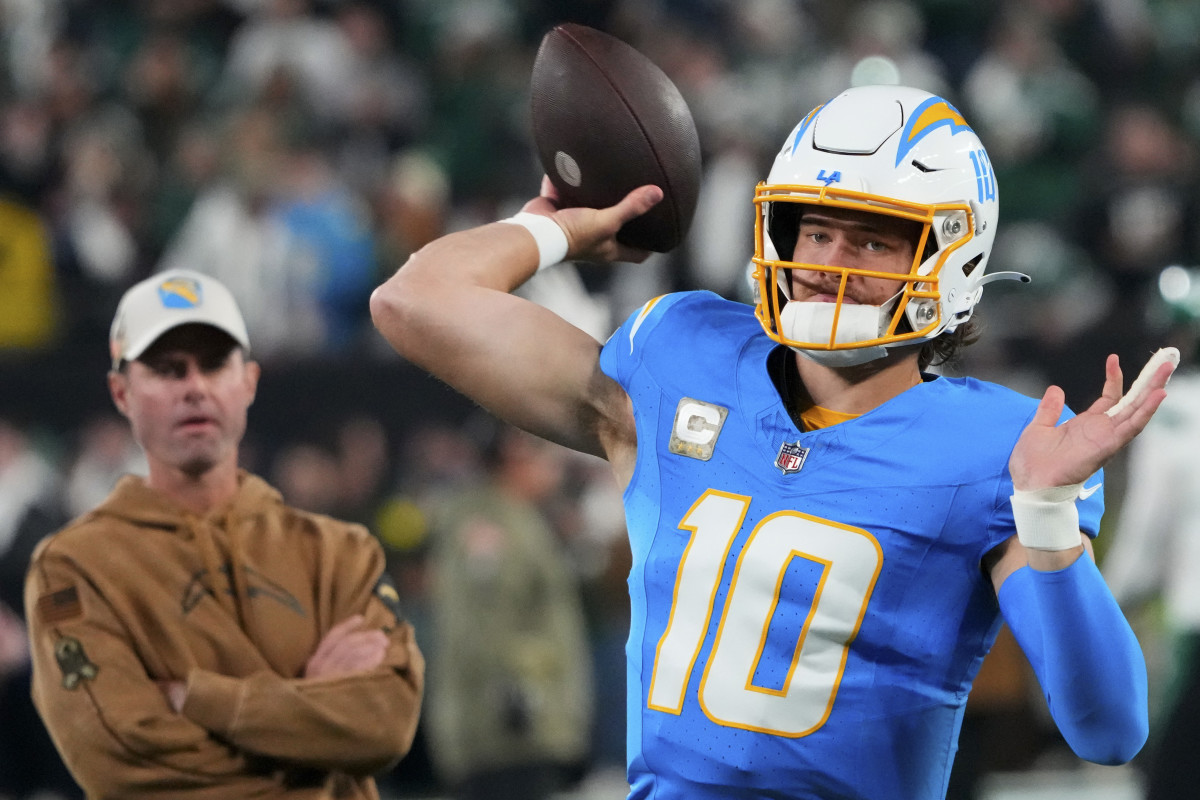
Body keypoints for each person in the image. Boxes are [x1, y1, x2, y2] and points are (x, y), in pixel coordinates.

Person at [370, 83, 1177, 799]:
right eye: (813, 232)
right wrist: (554, 232)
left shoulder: (1000, 448)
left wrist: (1043, 517)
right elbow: (414, 301)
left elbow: (1108, 731)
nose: (829, 263)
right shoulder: (683, 354)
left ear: (950, 258)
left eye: (872, 239)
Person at [24, 269, 425, 799]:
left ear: (249, 382)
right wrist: (317, 728)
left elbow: (386, 723)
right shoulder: (75, 567)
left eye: (214, 364)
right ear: (121, 392)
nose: (194, 387)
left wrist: (197, 699)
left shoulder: (341, 552)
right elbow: (126, 763)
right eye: (168, 370)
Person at [425, 420, 593, 800]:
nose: (556, 467)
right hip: (505, 729)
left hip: (522, 725)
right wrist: (516, 696)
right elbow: (481, 623)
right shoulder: (489, 523)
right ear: (516, 454)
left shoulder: (517, 516)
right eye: (546, 454)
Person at [1102, 291, 1200, 800]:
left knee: (1173, 770)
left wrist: (1104, 603)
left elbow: (1146, 530)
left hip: (1194, 618)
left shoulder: (1174, 412)